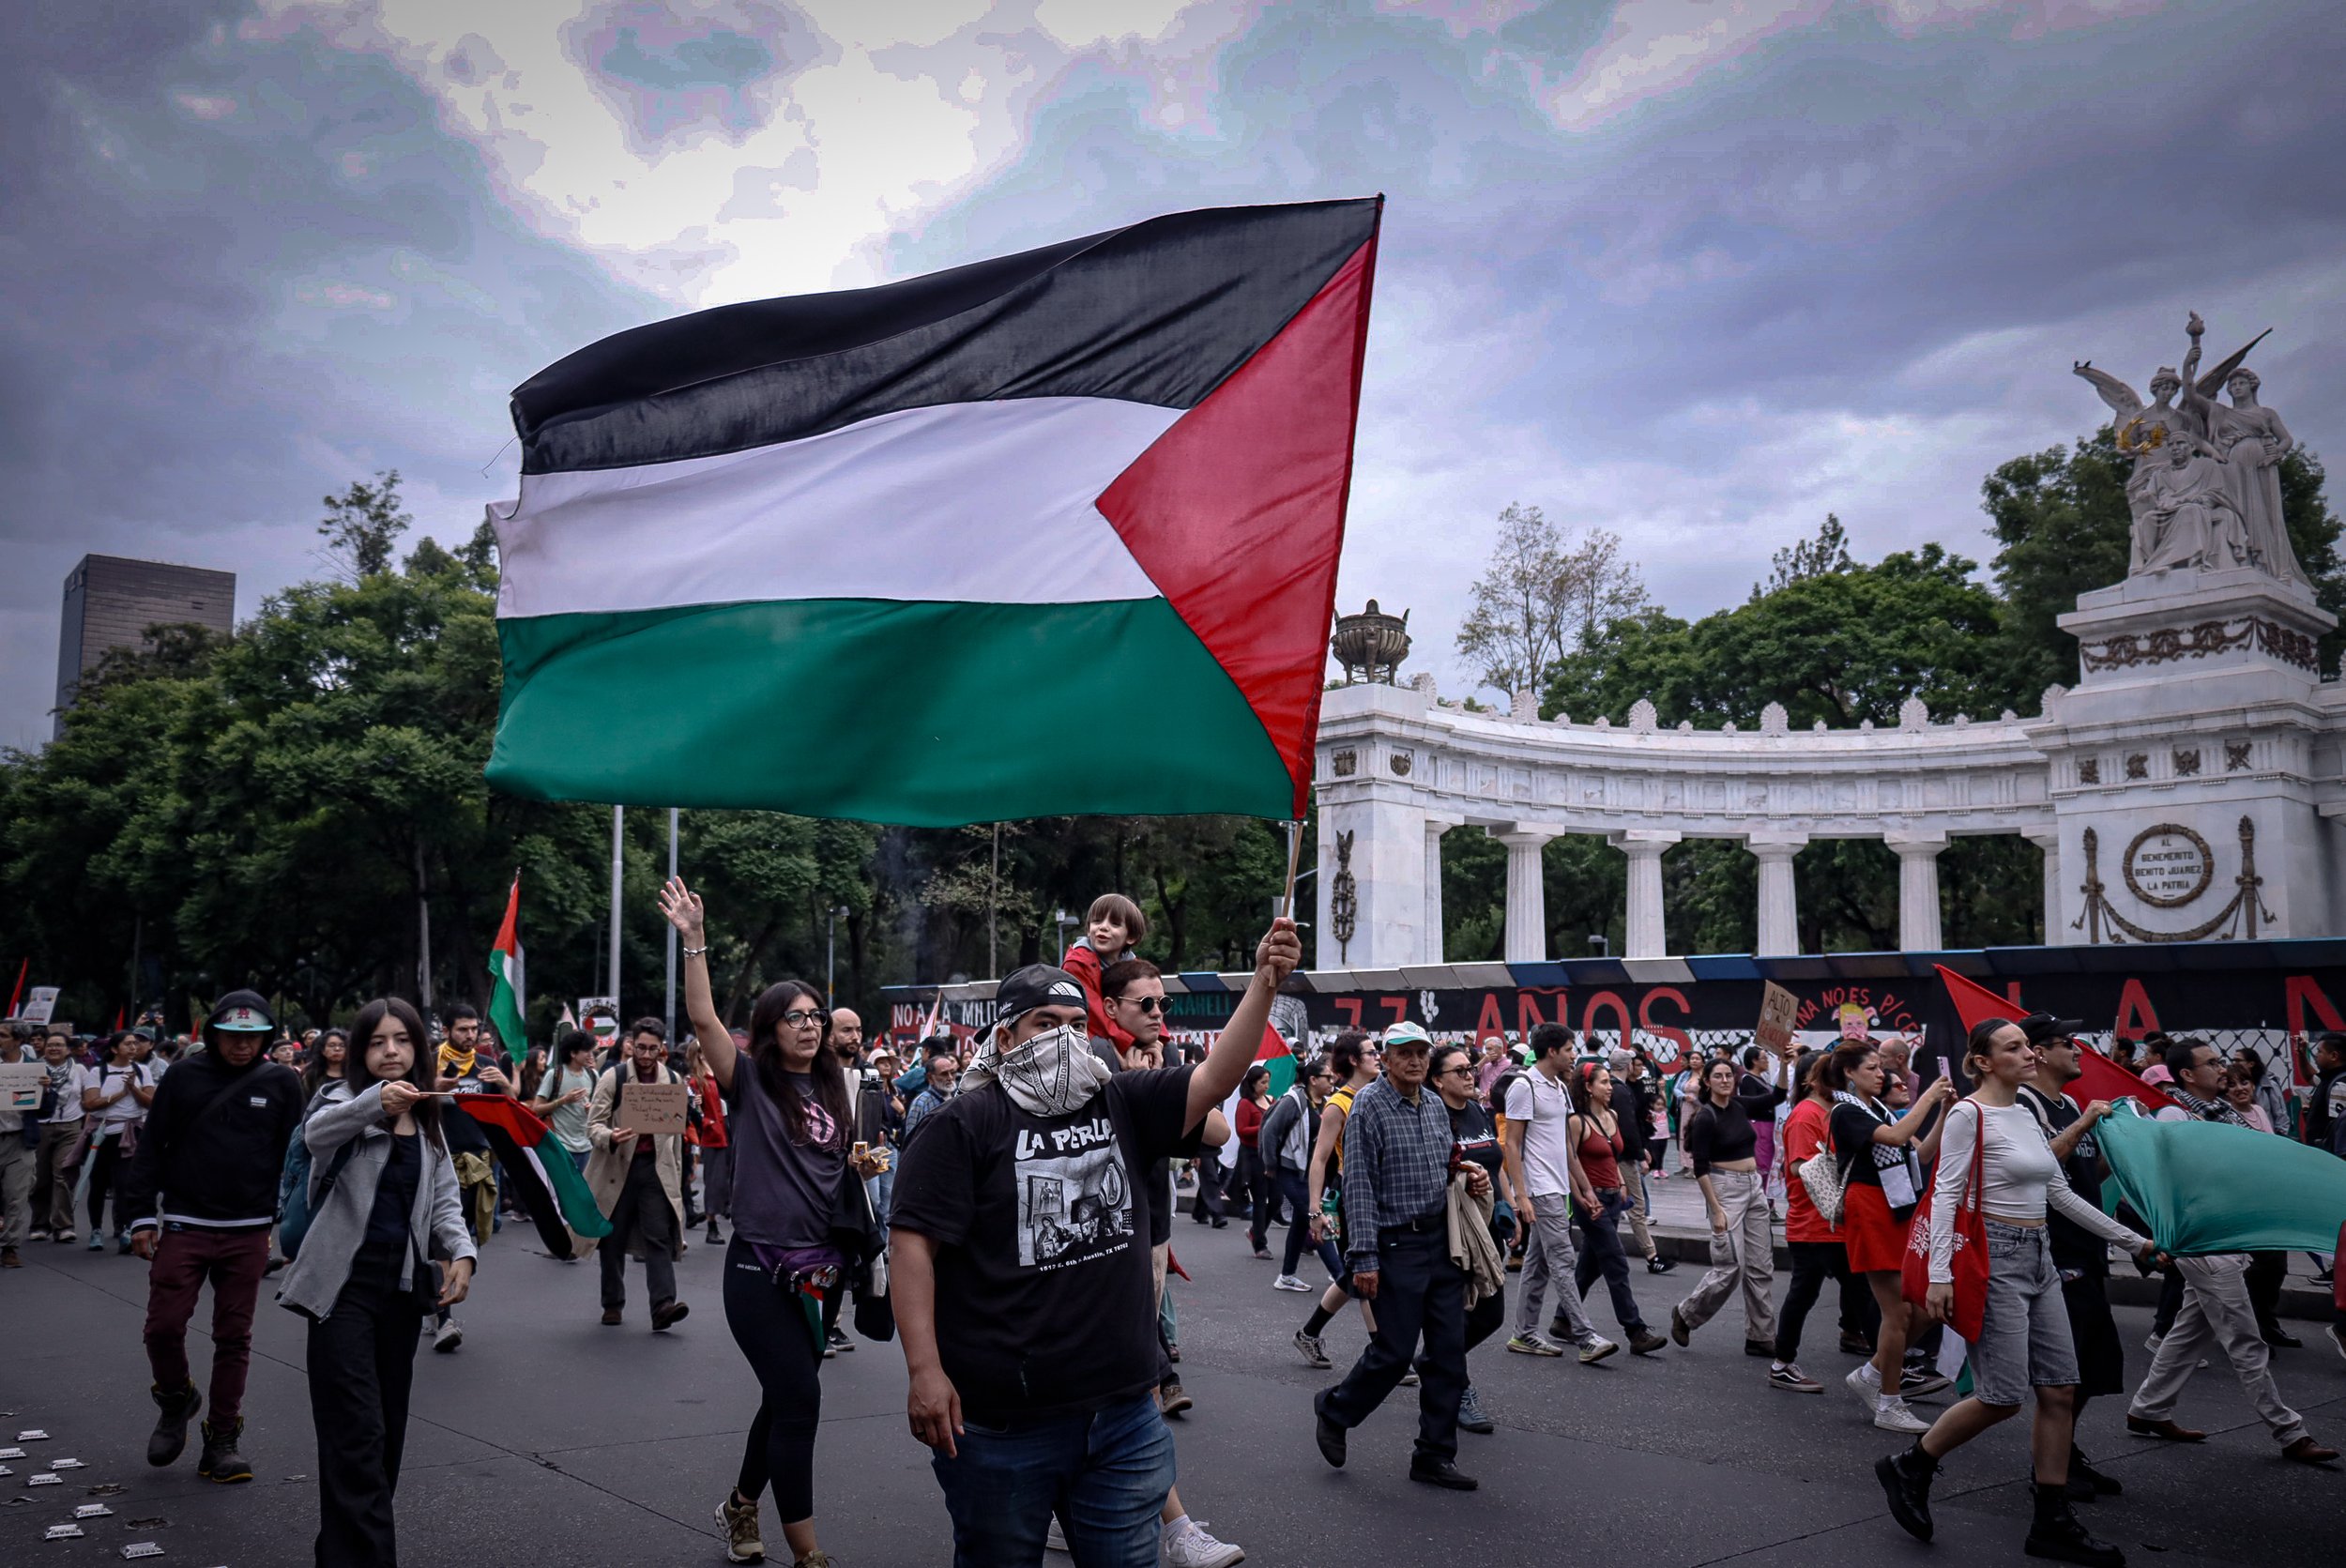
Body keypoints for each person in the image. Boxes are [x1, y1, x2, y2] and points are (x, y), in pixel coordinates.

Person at [891, 915, 1299, 1565]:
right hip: (1000, 1423)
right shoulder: (962, 1124)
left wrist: (1264, 983)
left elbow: (1213, 1082)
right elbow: (912, 1248)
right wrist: (924, 1371)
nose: (1065, 1039)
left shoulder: (1121, 1100)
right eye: (1045, 1024)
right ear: (1005, 1036)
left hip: (1124, 1414)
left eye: (1076, 1026)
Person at [1875, 1020, 2162, 1565]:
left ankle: (2051, 1522)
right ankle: (1911, 1464)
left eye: (2028, 1045)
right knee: (2003, 1396)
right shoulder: (1969, 1114)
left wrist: (2134, 1242)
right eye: (2014, 1046)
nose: (2028, 1052)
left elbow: (2058, 1192)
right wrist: (1939, 1276)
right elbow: (1944, 1196)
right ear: (1982, 1061)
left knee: (2059, 1390)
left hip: (2040, 1258)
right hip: (1994, 1260)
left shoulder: (2027, 1112)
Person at [662, 885, 882, 1568]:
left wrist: (858, 1166)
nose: (810, 1026)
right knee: (801, 1397)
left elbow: (828, 1166)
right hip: (760, 1269)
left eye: (816, 1015)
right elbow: (702, 1021)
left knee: (785, 1397)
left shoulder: (838, 1088)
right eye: (795, 1016)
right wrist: (694, 935)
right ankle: (807, 1550)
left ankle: (739, 1502)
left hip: (826, 1272)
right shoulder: (751, 1080)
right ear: (769, 1025)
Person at [279, 997, 477, 1567]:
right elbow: (317, 1137)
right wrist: (375, 1104)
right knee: (356, 1438)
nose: (391, 1052)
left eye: (402, 1041)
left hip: (401, 1292)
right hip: (339, 1292)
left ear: (418, 1047)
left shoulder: (430, 1115)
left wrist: (461, 1254)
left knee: (384, 1440)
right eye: (377, 1042)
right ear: (362, 1052)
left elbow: (442, 1201)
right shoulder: (340, 1101)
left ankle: (340, 1554)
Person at [1091, 956, 1245, 1568]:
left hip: (1147, 1232)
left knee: (1120, 1380)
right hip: (1096, 1238)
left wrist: (1160, 1088)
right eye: (1146, 1004)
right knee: (1134, 1378)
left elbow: (1216, 1129)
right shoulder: (1094, 1061)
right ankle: (1177, 1526)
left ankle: (1073, 1503)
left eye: (1164, 1004)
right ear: (1111, 1009)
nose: (1160, 1013)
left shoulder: (1168, 1062)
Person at [119, 991, 305, 1483]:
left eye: (252, 1037)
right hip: (184, 1223)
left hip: (248, 1231)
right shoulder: (183, 1076)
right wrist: (140, 1217)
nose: (241, 1047)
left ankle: (222, 1440)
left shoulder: (284, 1082)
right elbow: (151, 1147)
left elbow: (298, 1156)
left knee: (233, 1337)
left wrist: (294, 1224)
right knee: (162, 1327)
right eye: (231, 1036)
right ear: (213, 1034)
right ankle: (176, 1398)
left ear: (265, 1038)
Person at [2125, 1038, 2336, 1465]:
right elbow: (2172, 1183)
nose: (2222, 1068)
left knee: (2189, 1331)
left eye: (2220, 1060)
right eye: (2212, 1063)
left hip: (2223, 1235)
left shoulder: (2222, 1113)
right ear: (2187, 1074)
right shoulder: (2174, 1115)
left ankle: (2148, 1409)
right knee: (2245, 1339)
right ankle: (2289, 1432)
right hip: (2203, 1240)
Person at [1312, 1012, 1492, 1490]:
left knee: (1448, 1353)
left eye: (1420, 1053)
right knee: (1392, 1353)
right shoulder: (1367, 1107)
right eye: (1403, 1054)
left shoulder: (1433, 1105)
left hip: (1439, 1240)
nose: (1413, 1061)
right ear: (1387, 1060)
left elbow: (1446, 1160)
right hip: (1394, 1243)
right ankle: (1334, 1410)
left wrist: (1468, 1172)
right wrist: (1363, 1257)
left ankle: (1433, 1456)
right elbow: (1359, 1188)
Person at [2015, 1018, 2130, 1499]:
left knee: (2094, 1364)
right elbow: (2042, 1167)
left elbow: (2083, 1169)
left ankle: (2063, 1452)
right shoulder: (2026, 1105)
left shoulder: (2071, 1104)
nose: (2080, 1052)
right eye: (2069, 1044)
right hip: (2056, 1253)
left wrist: (2117, 1149)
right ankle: (2050, 1467)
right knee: (2064, 1372)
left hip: (2087, 1246)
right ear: (2038, 1053)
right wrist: (2086, 1123)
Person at [1830, 1041, 1955, 1434]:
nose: (1880, 1073)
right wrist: (1930, 1096)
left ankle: (1872, 1374)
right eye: (1871, 1068)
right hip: (1870, 1210)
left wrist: (1943, 1112)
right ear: (1849, 1073)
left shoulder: (1877, 1109)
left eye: (1879, 1067)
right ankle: (1889, 1402)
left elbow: (1920, 1155)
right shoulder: (1845, 1111)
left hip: (1896, 1209)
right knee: (1899, 1312)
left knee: (1922, 1308)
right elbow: (1899, 1137)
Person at [1503, 1023, 1614, 1362]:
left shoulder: (1559, 1088)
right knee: (1564, 1259)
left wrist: (1583, 1188)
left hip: (1559, 1186)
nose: (1573, 1055)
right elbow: (1512, 1143)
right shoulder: (1524, 1087)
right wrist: (1521, 1196)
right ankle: (1585, 1337)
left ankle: (1523, 1333)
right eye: (1568, 1049)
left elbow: (1566, 1145)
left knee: (1537, 1264)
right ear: (1551, 1051)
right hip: (1540, 1188)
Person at [1671, 1049, 1791, 1356]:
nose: (1725, 1081)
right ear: (1707, 1083)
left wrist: (1785, 1064)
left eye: (1728, 1075)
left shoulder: (1738, 1105)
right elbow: (1700, 1168)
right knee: (1731, 1266)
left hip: (1753, 1187)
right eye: (1718, 1077)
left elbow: (1776, 1096)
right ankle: (1687, 1313)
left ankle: (1761, 1336)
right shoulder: (1705, 1117)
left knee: (1761, 1265)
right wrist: (1716, 1209)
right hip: (1724, 1188)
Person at [1770, 1048, 1876, 1393]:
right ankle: (1891, 1366)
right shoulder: (1805, 1115)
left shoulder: (1835, 1110)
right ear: (1815, 1079)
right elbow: (1800, 1167)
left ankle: (1889, 1364)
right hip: (1815, 1223)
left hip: (1833, 1222)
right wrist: (1838, 1165)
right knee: (1843, 1293)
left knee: (1847, 1292)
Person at [1427, 1043, 1513, 1433]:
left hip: (1486, 1225)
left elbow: (1496, 1164)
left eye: (1469, 1069)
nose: (1469, 1076)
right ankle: (1456, 1387)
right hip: (1451, 1232)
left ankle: (1435, 1361)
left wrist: (1511, 1205)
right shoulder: (1431, 1116)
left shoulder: (1477, 1110)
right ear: (1437, 1081)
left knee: (1490, 1315)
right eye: (1459, 1071)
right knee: (1456, 1314)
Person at [586, 1018, 691, 1332]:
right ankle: (612, 1303)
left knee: (658, 1237)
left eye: (652, 1049)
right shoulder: (613, 1077)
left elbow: (675, 1137)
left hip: (655, 1170)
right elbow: (593, 1126)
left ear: (662, 1050)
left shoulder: (672, 1080)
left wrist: (679, 1177)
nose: (646, 1054)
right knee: (612, 1239)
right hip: (618, 1167)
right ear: (632, 1045)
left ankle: (663, 1306)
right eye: (641, 1047)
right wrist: (611, 1137)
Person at [429, 1002, 513, 1352]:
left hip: (478, 1164)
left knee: (470, 1238)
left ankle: (436, 1297)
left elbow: (512, 1109)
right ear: (446, 1031)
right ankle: (445, 1321)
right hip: (437, 1160)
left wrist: (506, 1085)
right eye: (462, 1029)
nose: (470, 1035)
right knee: (442, 1237)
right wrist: (432, 1087)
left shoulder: (487, 1066)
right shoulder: (427, 1064)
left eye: (474, 1028)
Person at [1568, 1059, 1668, 1356]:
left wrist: (1622, 1186)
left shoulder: (1611, 1115)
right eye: (1604, 1083)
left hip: (1613, 1198)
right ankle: (1635, 1331)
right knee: (1616, 1262)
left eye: (1610, 1082)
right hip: (1592, 1202)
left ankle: (1562, 1319)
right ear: (1588, 1087)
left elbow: (1613, 1157)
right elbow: (1569, 1163)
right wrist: (1583, 1197)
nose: (1610, 1088)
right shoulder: (1577, 1122)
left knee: (1589, 1265)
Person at [1265, 1051, 1345, 1300]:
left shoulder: (1325, 1103)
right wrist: (1270, 1164)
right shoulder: (1294, 1101)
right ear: (1313, 1080)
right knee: (1316, 1218)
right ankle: (1342, 1278)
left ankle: (1286, 1276)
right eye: (1327, 1078)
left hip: (1309, 1171)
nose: (1332, 1082)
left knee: (1301, 1224)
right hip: (1289, 1169)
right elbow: (1270, 1132)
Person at [83, 1028, 156, 1251]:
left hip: (130, 1133)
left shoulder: (142, 1070)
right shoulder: (98, 1072)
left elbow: (150, 1102)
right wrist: (119, 1095)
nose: (133, 1048)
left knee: (125, 1185)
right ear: (114, 1049)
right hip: (101, 1134)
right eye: (128, 1044)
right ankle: (96, 1230)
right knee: (98, 1183)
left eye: (135, 1044)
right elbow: (90, 1104)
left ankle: (125, 1229)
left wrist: (132, 1087)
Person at [1607, 1049, 1671, 1274]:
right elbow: (1628, 1126)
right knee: (1636, 1205)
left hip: (1610, 1153)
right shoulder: (1622, 1091)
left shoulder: (1610, 1086)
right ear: (1627, 1065)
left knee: (1613, 1204)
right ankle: (1651, 1255)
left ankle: (1604, 1252)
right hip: (1623, 1156)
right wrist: (1640, 1154)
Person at [1060, 891, 1147, 1051]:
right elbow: (1094, 1017)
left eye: (1114, 924)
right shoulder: (1077, 964)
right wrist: (1132, 1044)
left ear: (1131, 937)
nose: (1103, 927)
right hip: (1088, 1035)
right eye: (1097, 921)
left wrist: (1156, 1039)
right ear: (1088, 929)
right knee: (1101, 1047)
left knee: (1166, 1047)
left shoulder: (1136, 969)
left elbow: (1151, 1005)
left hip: (1123, 1036)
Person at [27, 1027, 90, 1246]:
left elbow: (87, 1098)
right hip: (40, 1126)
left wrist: (87, 1127)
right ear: (44, 1048)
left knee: (63, 1175)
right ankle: (39, 1224)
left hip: (70, 1127)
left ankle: (64, 1226)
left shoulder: (80, 1070)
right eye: (50, 1045)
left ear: (68, 1050)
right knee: (39, 1178)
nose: (54, 1048)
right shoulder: (33, 1068)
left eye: (59, 1045)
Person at [683, 1038, 735, 1245]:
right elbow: (693, 1111)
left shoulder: (721, 1075)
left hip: (730, 1131)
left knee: (733, 1175)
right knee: (714, 1182)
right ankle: (712, 1225)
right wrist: (709, 1123)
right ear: (700, 1054)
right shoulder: (696, 1081)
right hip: (713, 1135)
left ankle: (728, 1207)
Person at [528, 1028, 600, 1175]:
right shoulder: (555, 1075)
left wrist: (592, 1109)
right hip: (561, 1147)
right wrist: (563, 1101)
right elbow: (536, 1109)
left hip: (586, 1147)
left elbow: (601, 1108)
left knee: (584, 1193)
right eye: (586, 1051)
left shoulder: (593, 1075)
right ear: (573, 1053)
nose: (591, 1055)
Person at [1234, 1063, 1276, 1259]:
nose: (1266, 1086)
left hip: (1271, 1156)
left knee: (1277, 1199)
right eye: (1263, 1082)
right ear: (1252, 1084)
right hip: (1252, 1156)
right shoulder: (1245, 1104)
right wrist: (1264, 1126)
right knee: (1260, 1199)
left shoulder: (1271, 1100)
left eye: (1268, 1082)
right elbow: (1242, 1131)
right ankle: (1260, 1243)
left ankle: (1256, 1230)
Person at [899, 1048, 959, 1146]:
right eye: (944, 1074)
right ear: (930, 1078)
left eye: (952, 1072)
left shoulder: (958, 1097)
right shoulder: (921, 1103)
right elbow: (910, 1139)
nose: (950, 1077)